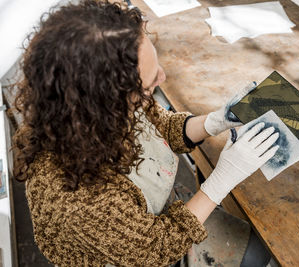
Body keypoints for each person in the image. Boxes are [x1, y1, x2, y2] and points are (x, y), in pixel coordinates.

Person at [12, 1, 279, 266]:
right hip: (137, 251)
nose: (162, 77)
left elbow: (158, 126)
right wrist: (220, 182)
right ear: (104, 104)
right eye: (148, 86)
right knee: (257, 253)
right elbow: (153, 251)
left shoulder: (100, 109)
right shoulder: (78, 199)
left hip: (154, 215)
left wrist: (214, 121)